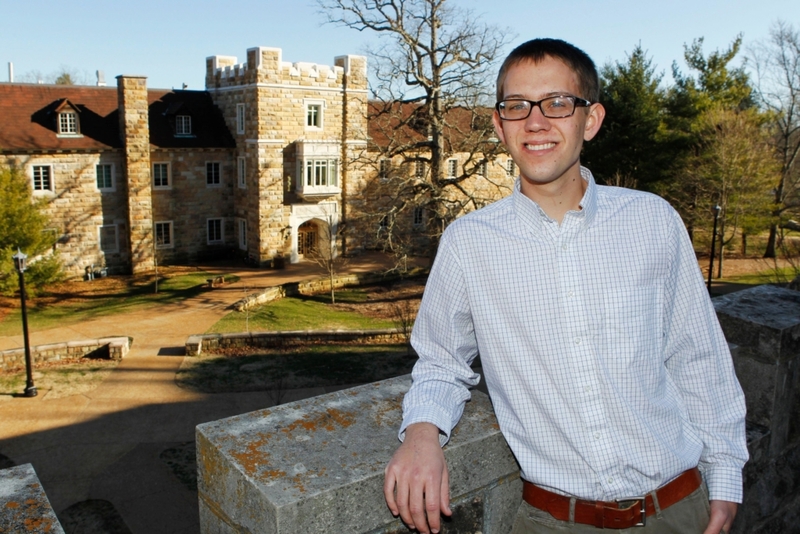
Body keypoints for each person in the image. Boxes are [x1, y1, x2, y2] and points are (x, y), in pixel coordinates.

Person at [383, 38, 748, 534]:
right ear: (499, 125)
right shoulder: (469, 244)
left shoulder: (652, 220)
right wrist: (422, 435)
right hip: (554, 521)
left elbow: (697, 357)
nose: (536, 122)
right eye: (516, 106)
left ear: (590, 120)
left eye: (557, 103)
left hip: (679, 510)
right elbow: (442, 362)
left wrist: (724, 477)